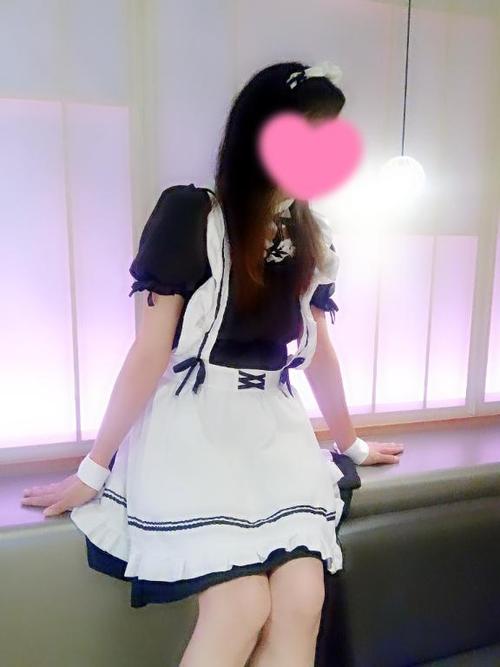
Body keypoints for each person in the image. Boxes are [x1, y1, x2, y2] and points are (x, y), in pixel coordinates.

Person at [22, 61, 404, 667]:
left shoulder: (313, 237)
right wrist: (94, 469)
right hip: (195, 432)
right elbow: (151, 351)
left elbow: (319, 353)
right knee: (240, 607)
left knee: (303, 600)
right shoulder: (192, 215)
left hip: (274, 433)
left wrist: (350, 443)